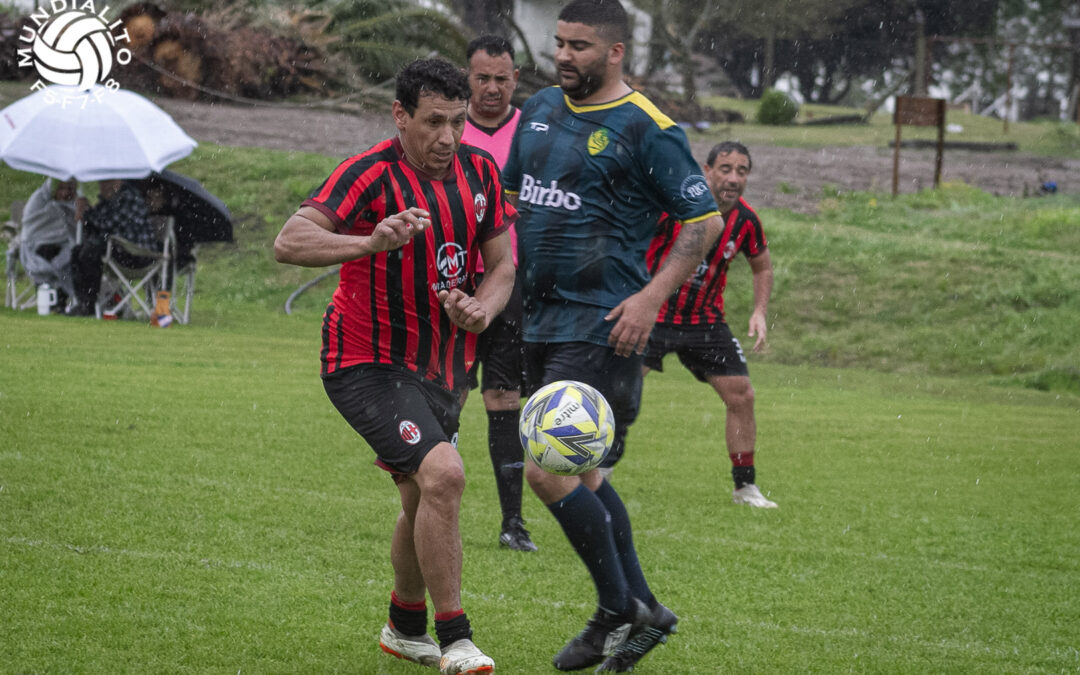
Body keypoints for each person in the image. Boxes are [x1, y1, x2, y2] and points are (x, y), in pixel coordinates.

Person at [501, 1, 727, 671]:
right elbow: (514, 202)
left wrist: (651, 299)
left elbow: (704, 222)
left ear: (616, 51)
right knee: (585, 472)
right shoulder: (539, 108)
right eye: (560, 42)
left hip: (603, 322)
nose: (563, 55)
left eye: (579, 45)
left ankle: (614, 611)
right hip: (539, 316)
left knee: (546, 467)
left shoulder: (647, 127)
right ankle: (646, 608)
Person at [274, 57, 513, 675]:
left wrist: (481, 310)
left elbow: (501, 266)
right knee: (444, 476)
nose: (448, 137)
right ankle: (456, 639)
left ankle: (405, 626)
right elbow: (289, 241)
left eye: (458, 122)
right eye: (434, 122)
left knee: (421, 494)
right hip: (365, 360)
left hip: (443, 367)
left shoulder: (481, 172)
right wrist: (369, 241)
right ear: (400, 115)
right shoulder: (368, 174)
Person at [644, 141, 777, 508]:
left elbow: (762, 266)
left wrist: (759, 311)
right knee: (621, 390)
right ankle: (601, 470)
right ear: (706, 171)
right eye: (725, 169)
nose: (733, 178)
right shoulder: (676, 207)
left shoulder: (746, 220)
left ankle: (745, 488)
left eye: (742, 171)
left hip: (704, 321)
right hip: (653, 314)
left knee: (741, 394)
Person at [461, 34, 535, 552]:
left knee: (504, 397)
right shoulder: (448, 127)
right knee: (444, 392)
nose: (492, 88)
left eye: (501, 79)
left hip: (512, 283)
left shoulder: (533, 132)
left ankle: (513, 523)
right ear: (467, 77)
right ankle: (428, 504)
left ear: (516, 79)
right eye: (482, 78)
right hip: (452, 281)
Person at [67, 179, 157, 316]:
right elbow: (95, 229)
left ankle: (89, 304)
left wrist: (86, 213)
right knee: (77, 251)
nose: (103, 186)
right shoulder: (108, 201)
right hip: (119, 250)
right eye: (102, 183)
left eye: (107, 183)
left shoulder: (129, 197)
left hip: (138, 255)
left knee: (91, 251)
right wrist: (84, 212)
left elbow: (108, 224)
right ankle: (85, 303)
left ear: (118, 181)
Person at [19, 178, 78, 309]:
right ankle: (48, 299)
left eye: (69, 189)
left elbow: (77, 232)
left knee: (72, 257)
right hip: (36, 245)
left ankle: (60, 300)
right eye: (61, 188)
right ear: (54, 189)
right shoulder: (40, 200)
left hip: (66, 246)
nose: (65, 193)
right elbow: (31, 226)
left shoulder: (75, 205)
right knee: (47, 253)